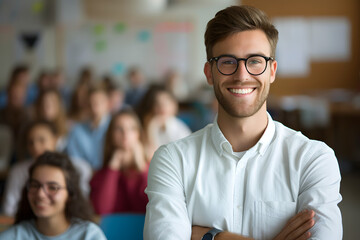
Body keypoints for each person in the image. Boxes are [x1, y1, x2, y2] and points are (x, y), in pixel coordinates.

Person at [144, 5, 342, 240]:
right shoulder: (173, 160)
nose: (242, 75)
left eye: (255, 61)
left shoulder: (313, 159)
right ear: (209, 73)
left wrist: (212, 237)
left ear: (272, 71)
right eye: (228, 62)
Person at [0, 151, 106, 240]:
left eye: (52, 187)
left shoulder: (89, 235)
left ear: (69, 194)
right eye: (35, 185)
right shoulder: (13, 236)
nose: (40, 194)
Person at [2, 120, 92, 216]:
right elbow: (9, 209)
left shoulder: (79, 167)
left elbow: (81, 204)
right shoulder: (18, 171)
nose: (35, 146)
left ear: (55, 139)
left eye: (41, 140)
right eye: (30, 142)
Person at [90, 109, 149, 215]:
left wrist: (141, 167)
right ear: (111, 135)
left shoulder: (151, 168)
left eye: (132, 128)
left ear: (139, 134)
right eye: (119, 128)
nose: (125, 134)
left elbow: (153, 206)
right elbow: (101, 211)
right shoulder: (101, 175)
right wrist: (112, 169)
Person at [136, 84, 192, 158]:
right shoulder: (149, 124)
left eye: (166, 102)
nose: (162, 107)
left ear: (174, 105)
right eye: (157, 103)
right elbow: (148, 155)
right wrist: (151, 127)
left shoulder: (179, 129)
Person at [66, 85, 111, 170]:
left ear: (107, 103)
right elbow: (75, 160)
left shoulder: (116, 127)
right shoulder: (77, 130)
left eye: (98, 103)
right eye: (91, 103)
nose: (94, 108)